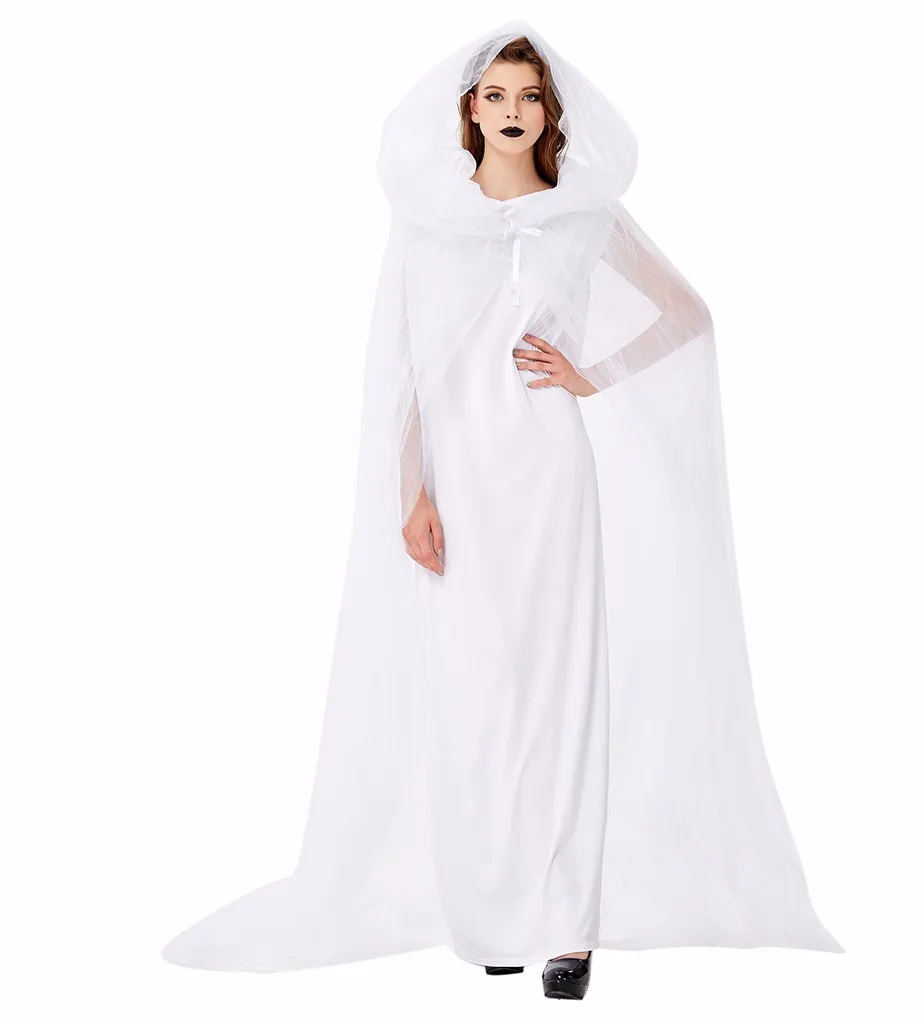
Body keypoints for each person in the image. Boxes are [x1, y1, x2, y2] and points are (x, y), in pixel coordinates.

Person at [161, 21, 843, 1002]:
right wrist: (412, 493)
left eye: (529, 96)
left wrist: (591, 372)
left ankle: (569, 931)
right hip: (460, 488)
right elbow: (403, 368)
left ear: (549, 113)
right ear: (469, 110)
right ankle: (493, 917)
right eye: (496, 95)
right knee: (474, 698)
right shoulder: (427, 221)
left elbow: (687, 313)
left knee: (564, 692)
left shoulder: (581, 217)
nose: (513, 111)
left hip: (549, 474)